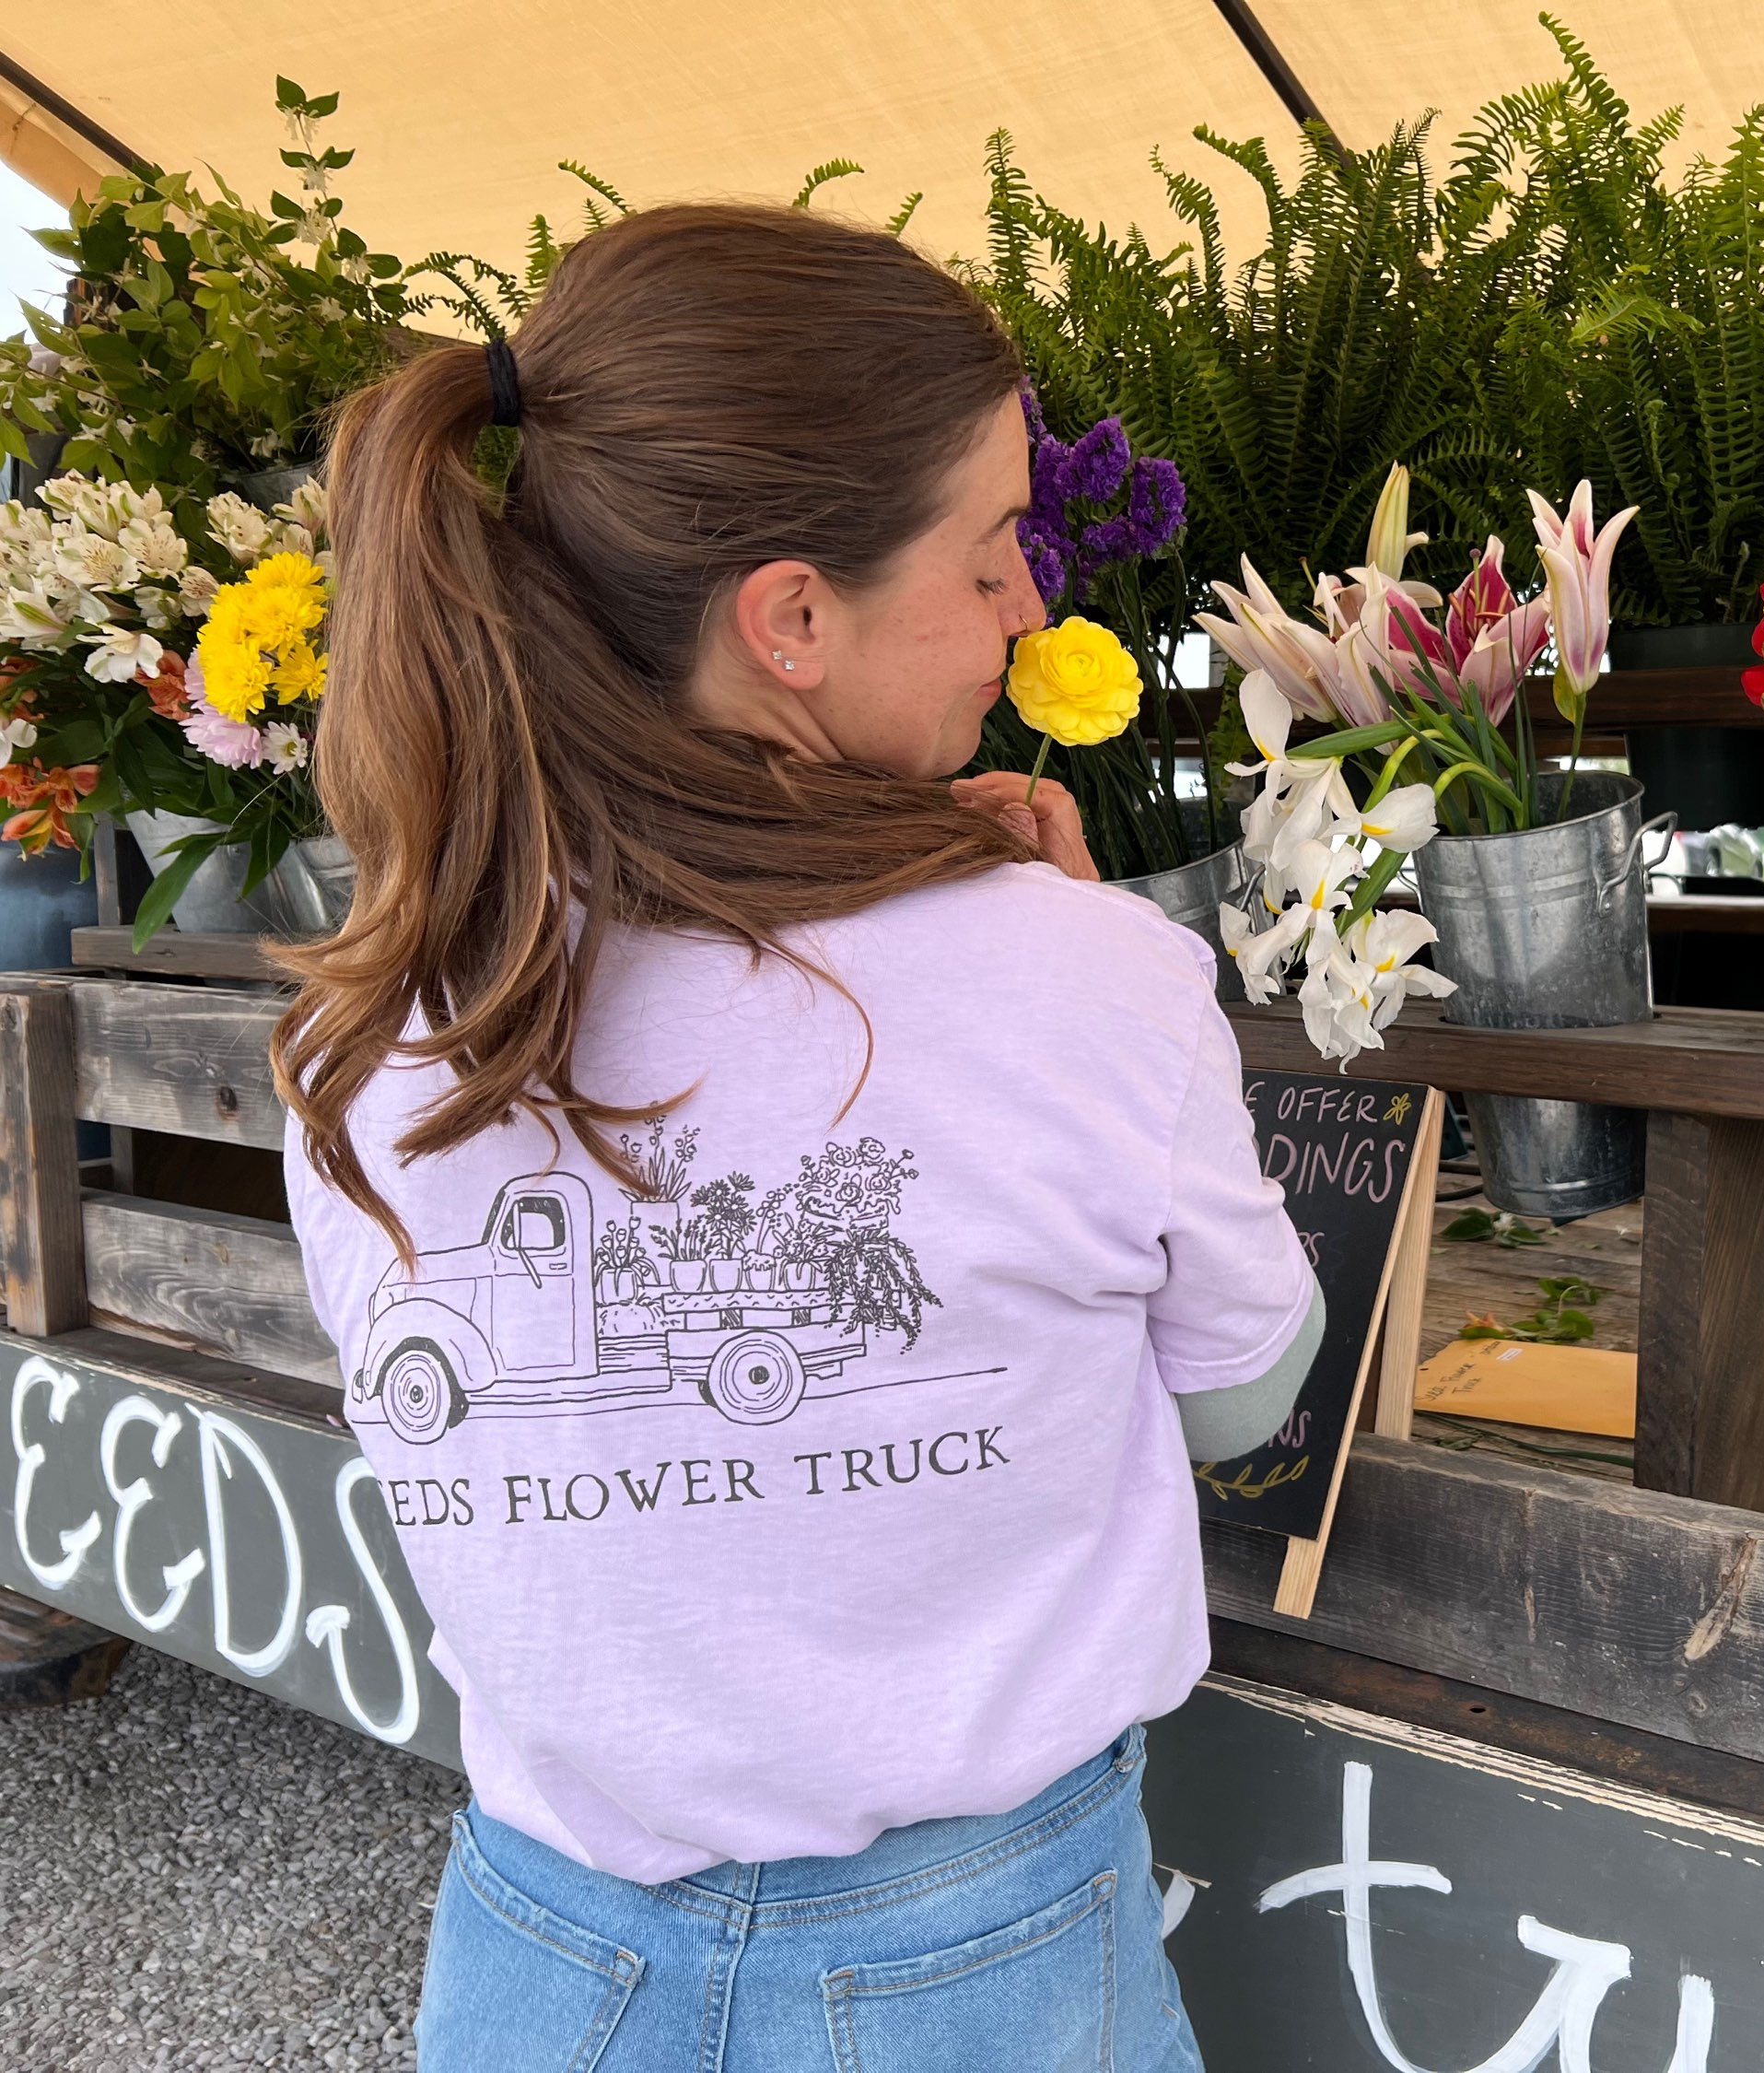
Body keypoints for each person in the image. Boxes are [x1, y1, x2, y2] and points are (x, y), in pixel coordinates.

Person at [275, 203, 1321, 2073]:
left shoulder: (372, 1029)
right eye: (996, 550)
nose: (1031, 607)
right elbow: (1243, 1400)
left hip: (536, 1957)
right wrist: (1080, 971)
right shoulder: (1095, 980)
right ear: (792, 617)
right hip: (983, 1971)